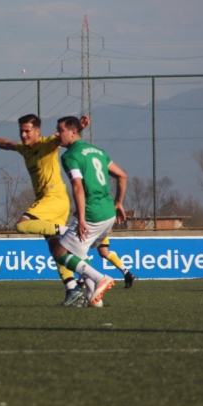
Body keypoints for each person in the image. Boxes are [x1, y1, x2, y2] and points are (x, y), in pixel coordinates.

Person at [0, 114, 134, 306]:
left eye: (27, 131)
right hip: (51, 202)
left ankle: (67, 236)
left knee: (22, 226)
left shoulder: (48, 144)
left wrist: (80, 125)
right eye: (21, 131)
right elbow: (5, 143)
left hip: (54, 198)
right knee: (59, 250)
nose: (23, 135)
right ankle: (75, 290)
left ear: (38, 131)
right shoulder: (24, 149)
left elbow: (70, 138)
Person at [51, 116, 128, 306]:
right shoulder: (99, 151)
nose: (57, 134)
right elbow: (122, 175)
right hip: (108, 213)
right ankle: (93, 298)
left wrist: (82, 219)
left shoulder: (69, 156)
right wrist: (118, 203)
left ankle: (100, 278)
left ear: (73, 132)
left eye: (60, 130)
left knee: (59, 252)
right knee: (81, 252)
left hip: (92, 213)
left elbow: (77, 186)